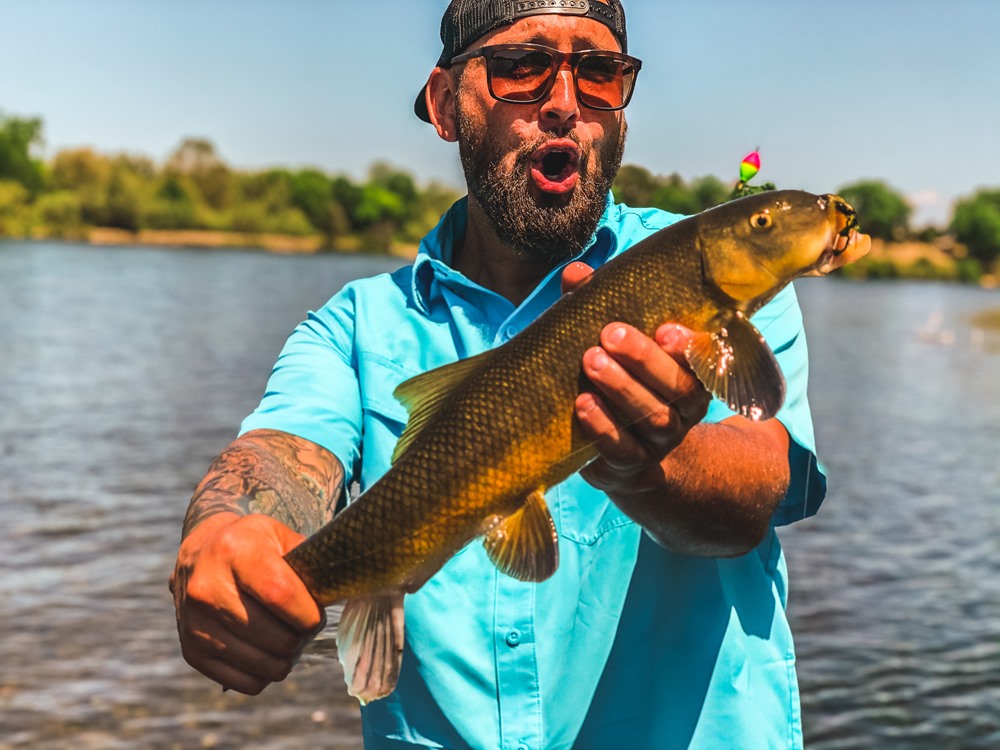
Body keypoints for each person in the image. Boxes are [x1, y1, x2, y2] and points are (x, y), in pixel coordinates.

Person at [170, 1, 868, 747]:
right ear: (444, 105)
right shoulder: (353, 329)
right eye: (521, 67)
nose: (564, 103)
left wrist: (650, 467)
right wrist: (228, 535)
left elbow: (759, 484)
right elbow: (277, 453)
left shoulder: (722, 276)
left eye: (600, 74)